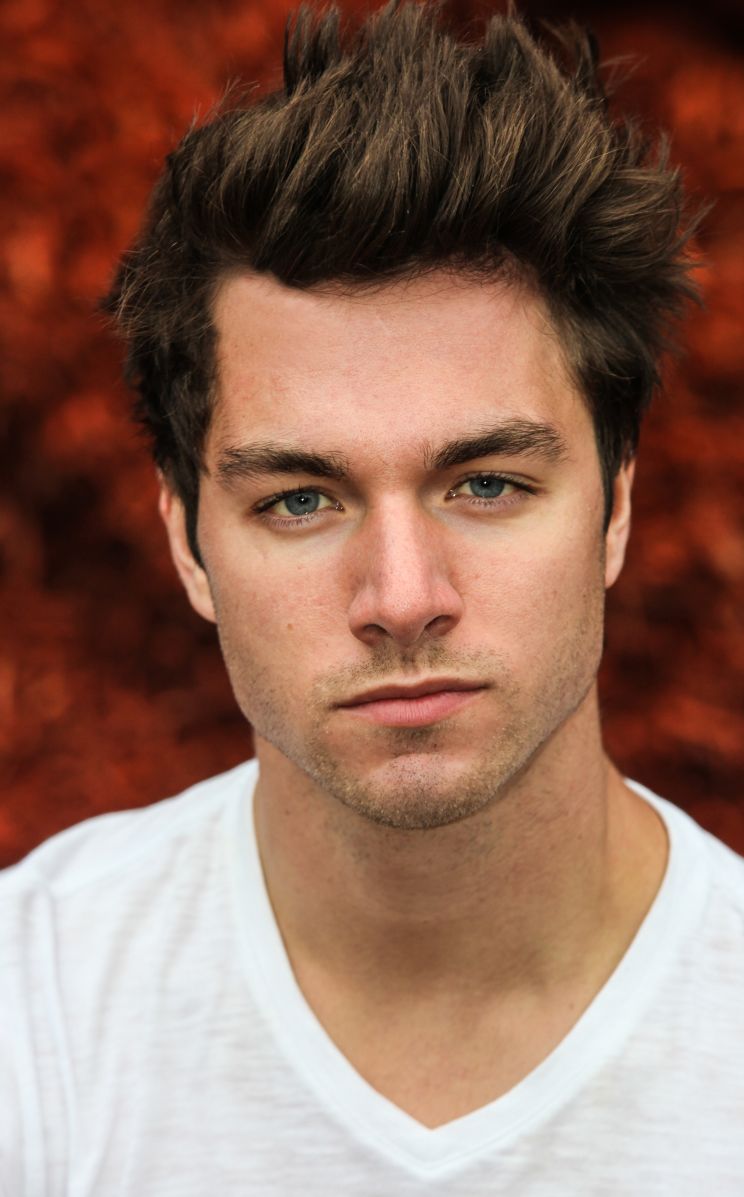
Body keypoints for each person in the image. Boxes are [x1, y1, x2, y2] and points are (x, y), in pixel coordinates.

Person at [2, 1, 742, 1192]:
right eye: (301, 500)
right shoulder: (32, 1015)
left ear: (614, 508)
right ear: (186, 543)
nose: (403, 597)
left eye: (487, 484)